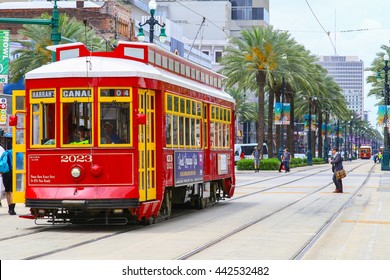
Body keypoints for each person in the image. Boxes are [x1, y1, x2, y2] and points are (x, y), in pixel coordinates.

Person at [0, 145, 16, 215]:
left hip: (6, 173)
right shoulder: (18, 153)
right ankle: (13, 208)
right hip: (16, 173)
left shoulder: (5, 153)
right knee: (13, 191)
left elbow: (1, 164)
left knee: (8, 191)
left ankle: (10, 208)